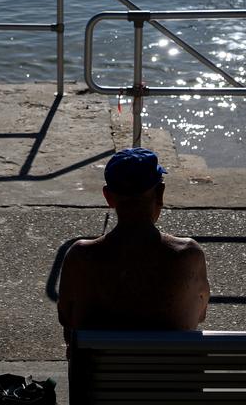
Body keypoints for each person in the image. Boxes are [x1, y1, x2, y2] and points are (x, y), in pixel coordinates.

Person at [57, 147, 210, 351]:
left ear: (108, 197)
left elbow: (66, 319)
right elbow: (200, 314)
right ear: (160, 193)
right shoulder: (188, 255)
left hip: (99, 371)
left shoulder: (80, 257)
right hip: (172, 370)